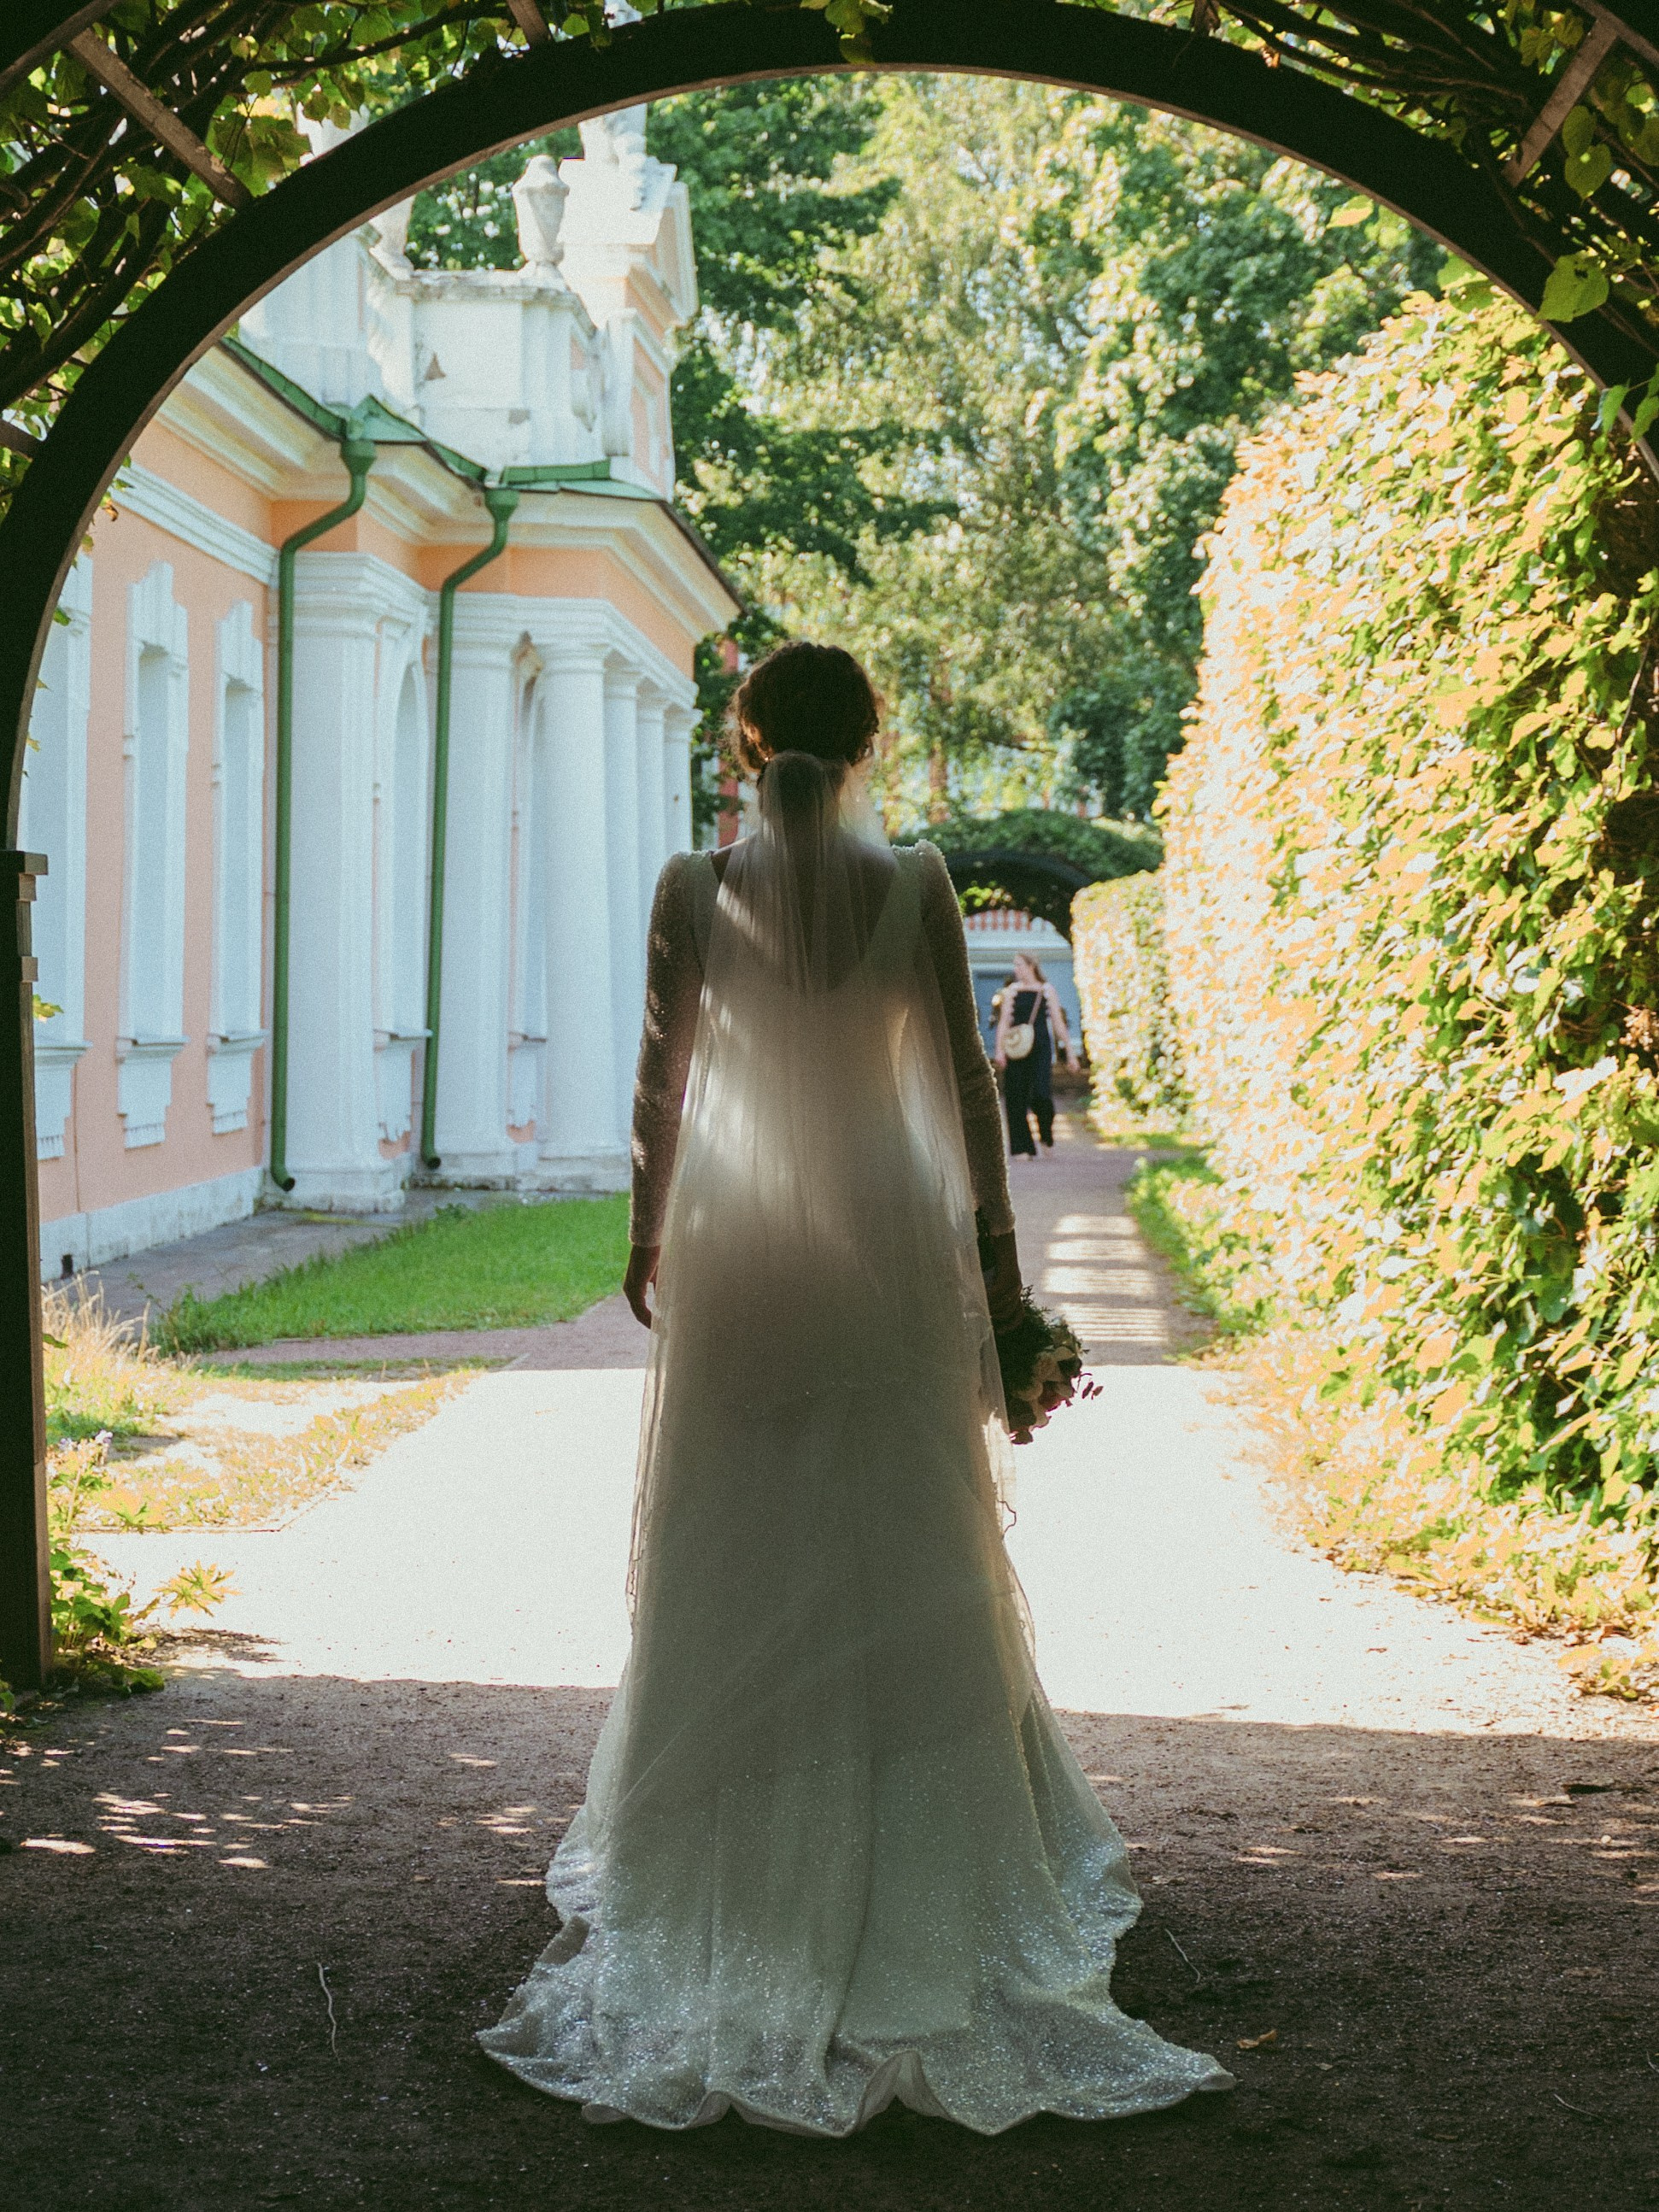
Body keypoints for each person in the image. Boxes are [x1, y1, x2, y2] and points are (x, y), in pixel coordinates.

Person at [478, 641, 1229, 2133]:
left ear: (743, 744)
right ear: (869, 740)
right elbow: (962, 1081)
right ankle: (920, 1874)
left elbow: (661, 1079)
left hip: (746, 1242)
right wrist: (999, 1276)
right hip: (889, 1243)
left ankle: (739, 1873)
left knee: (741, 1542)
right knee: (910, 1540)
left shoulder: (697, 890)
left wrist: (643, 1233)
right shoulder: (921, 883)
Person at [994, 951, 1074, 1158]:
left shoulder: (1046, 990)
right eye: (1015, 965)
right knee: (1015, 1096)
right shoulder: (1012, 991)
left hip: (1039, 1047)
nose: (1016, 969)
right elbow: (1004, 1022)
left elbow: (1057, 1023)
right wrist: (999, 1050)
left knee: (1041, 1093)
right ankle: (1022, 1147)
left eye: (1019, 965)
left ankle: (1046, 1136)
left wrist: (1071, 1053)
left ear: (1031, 966)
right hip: (1016, 1048)